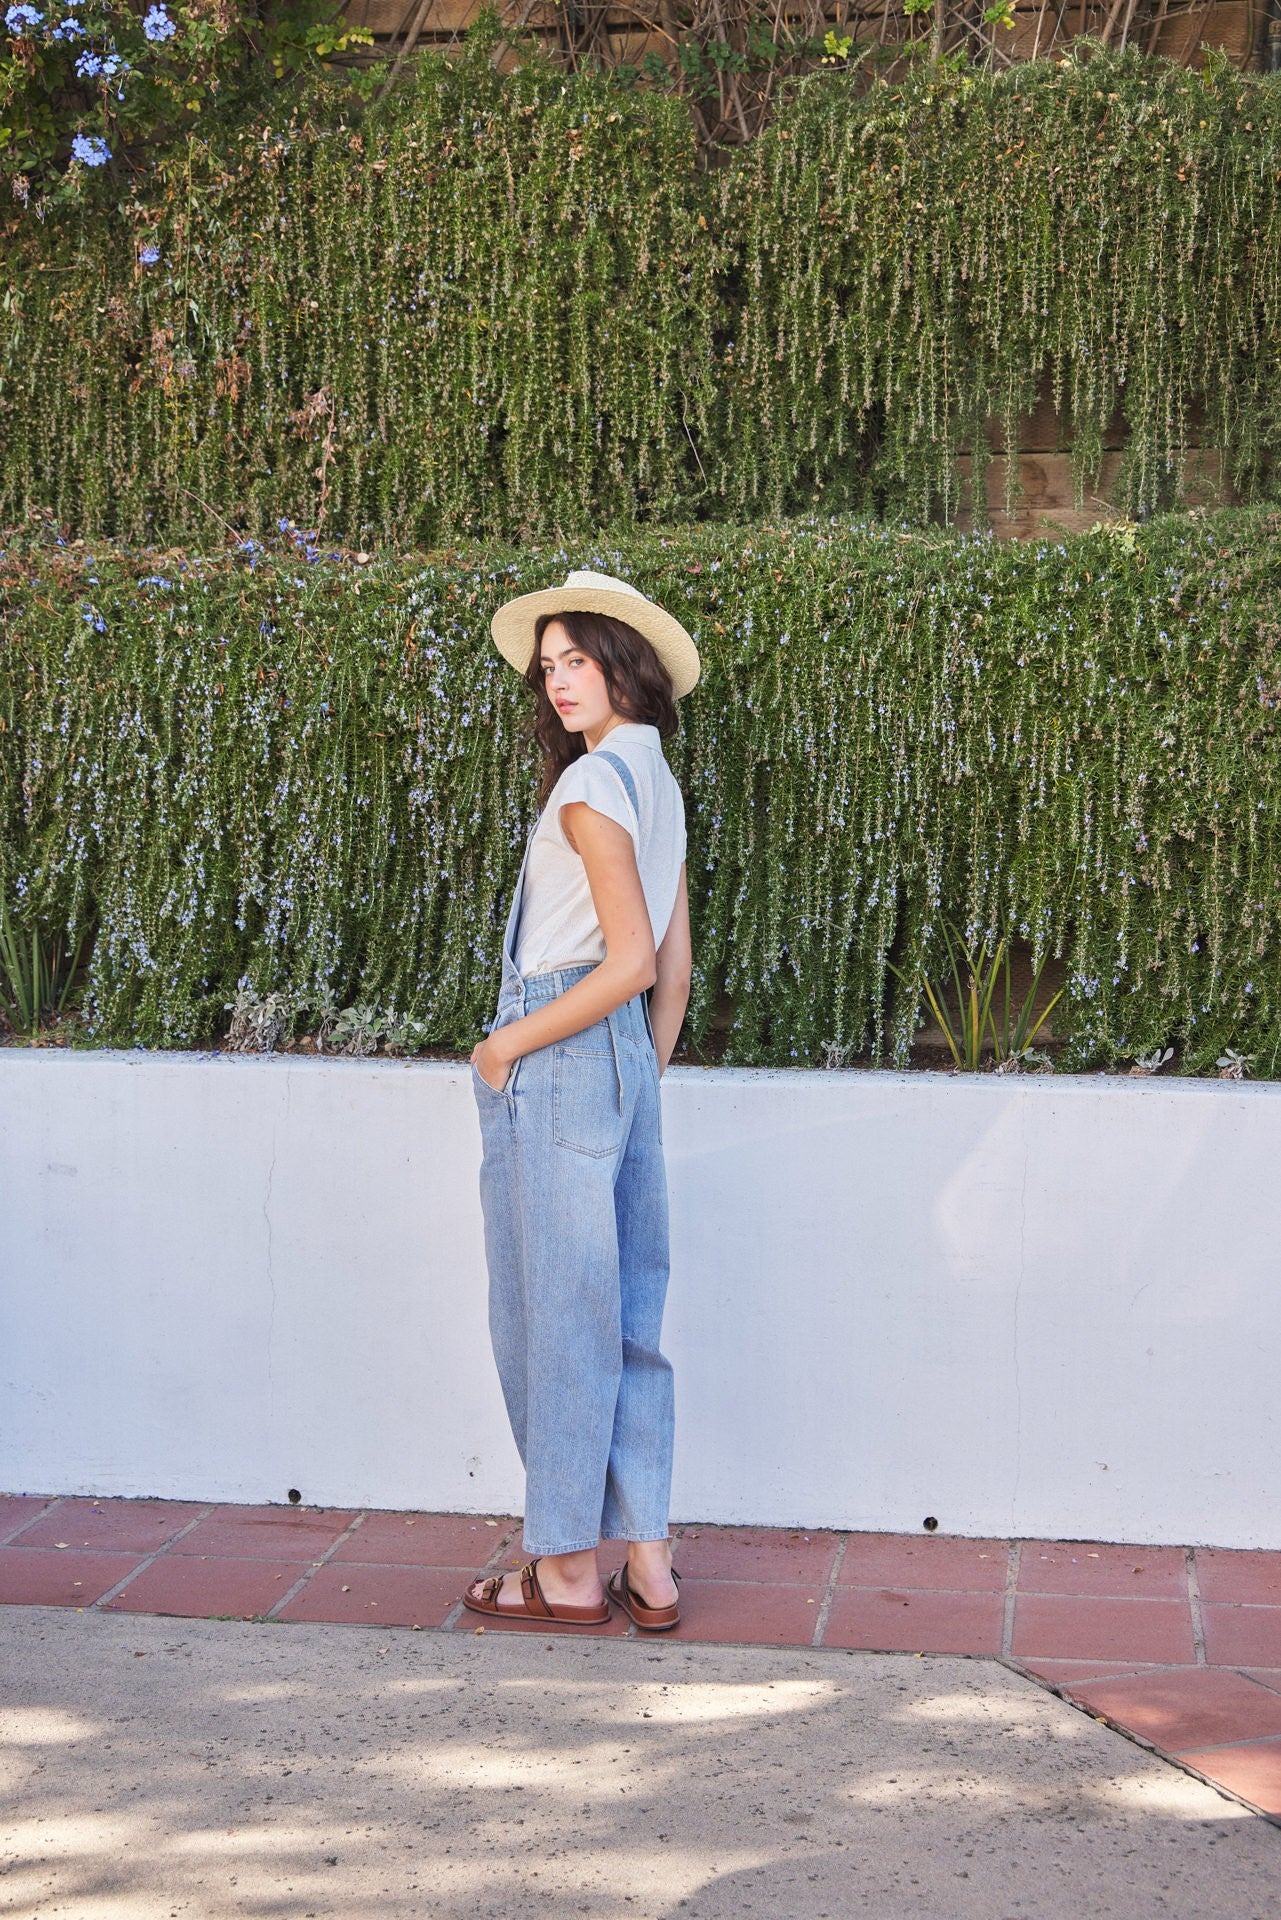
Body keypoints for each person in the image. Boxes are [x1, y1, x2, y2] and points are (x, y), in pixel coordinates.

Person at [462, 569, 699, 1632]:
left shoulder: (592, 784)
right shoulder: (655, 780)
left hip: (556, 1043)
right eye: (548, 665)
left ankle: (561, 1569)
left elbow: (631, 960)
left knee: (555, 1317)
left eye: (578, 660)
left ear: (623, 664)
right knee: (628, 1316)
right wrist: (638, 1071)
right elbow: (672, 970)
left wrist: (502, 1046)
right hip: (621, 1059)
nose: (559, 681)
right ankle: (649, 1563)